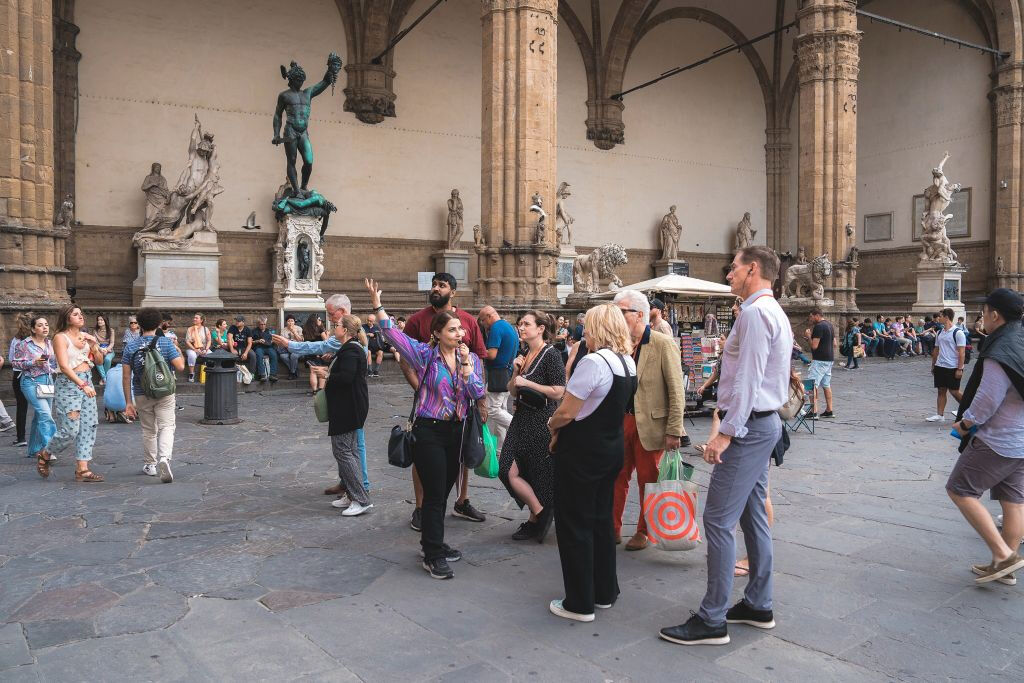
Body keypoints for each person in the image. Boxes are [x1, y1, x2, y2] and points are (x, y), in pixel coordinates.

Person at [661, 245, 791, 646]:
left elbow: (747, 380)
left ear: (752, 270)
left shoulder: (753, 314)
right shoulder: (773, 312)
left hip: (748, 429)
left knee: (717, 521)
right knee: (752, 515)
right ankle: (758, 603)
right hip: (763, 424)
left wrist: (725, 433)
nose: (728, 273)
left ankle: (712, 617)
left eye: (733, 268)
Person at [369, 277, 485, 579]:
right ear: (438, 333)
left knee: (443, 490)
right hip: (429, 430)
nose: (459, 334)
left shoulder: (470, 358)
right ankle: (433, 554)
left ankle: (432, 541)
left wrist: (467, 368)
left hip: (456, 431)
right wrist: (378, 306)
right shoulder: (425, 355)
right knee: (434, 493)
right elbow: (392, 335)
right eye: (452, 329)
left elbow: (476, 392)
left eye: (460, 329)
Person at [546, 304, 637, 622]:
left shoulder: (594, 362)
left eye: (587, 325)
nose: (583, 330)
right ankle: (604, 591)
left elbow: (567, 411)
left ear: (598, 327)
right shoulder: (627, 362)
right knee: (600, 520)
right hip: (610, 449)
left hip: (582, 451)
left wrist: (551, 425)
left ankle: (579, 602)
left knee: (574, 524)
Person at [948, 289, 1024, 584]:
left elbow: (987, 400)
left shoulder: (999, 351)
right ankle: (1004, 564)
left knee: (960, 490)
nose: (982, 318)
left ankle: (1003, 555)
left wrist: (966, 425)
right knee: (1014, 502)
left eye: (983, 313)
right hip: (1020, 440)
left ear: (994, 315)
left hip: (998, 440)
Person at [401, 273, 488, 529]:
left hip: (461, 402)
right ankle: (421, 506)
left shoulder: (469, 321)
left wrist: (481, 401)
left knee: (463, 449)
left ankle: (462, 499)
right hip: (429, 405)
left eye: (442, 285)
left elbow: (480, 359)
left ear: (454, 292)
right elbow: (405, 358)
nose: (436, 288)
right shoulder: (418, 319)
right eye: (434, 285)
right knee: (422, 454)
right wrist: (420, 387)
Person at [611, 289, 687, 551]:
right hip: (620, 422)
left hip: (650, 424)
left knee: (648, 480)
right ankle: (613, 528)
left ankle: (644, 530)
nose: (617, 317)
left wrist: (675, 430)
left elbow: (677, 391)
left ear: (639, 314)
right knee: (616, 476)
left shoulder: (663, 343)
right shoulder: (617, 344)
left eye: (621, 312)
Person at [272, 295, 371, 495]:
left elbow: (320, 348)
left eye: (331, 313)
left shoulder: (349, 338)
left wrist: (290, 345)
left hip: (350, 400)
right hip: (348, 398)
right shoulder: (349, 336)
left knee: (353, 446)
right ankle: (348, 482)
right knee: (350, 445)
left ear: (342, 313)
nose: (329, 318)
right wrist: (335, 358)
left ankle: (361, 487)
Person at [498, 310, 565, 543]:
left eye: (526, 324)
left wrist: (528, 382)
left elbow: (559, 391)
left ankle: (535, 519)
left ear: (540, 329)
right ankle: (540, 511)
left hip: (541, 418)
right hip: (521, 418)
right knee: (506, 469)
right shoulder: (524, 354)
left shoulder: (551, 355)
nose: (521, 327)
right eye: (519, 324)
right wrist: (517, 372)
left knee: (535, 471)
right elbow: (512, 389)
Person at [123, 307, 185, 483]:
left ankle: (150, 465)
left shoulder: (131, 346)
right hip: (165, 391)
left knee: (149, 430)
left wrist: (128, 402)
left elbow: (126, 375)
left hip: (141, 393)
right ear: (159, 323)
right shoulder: (165, 343)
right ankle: (164, 458)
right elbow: (180, 367)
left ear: (139, 325)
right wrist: (177, 350)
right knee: (167, 426)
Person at [47, 305, 105, 482]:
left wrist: (94, 345)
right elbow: (64, 366)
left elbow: (100, 361)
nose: (80, 317)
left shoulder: (86, 337)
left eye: (81, 314)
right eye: (75, 314)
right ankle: (46, 452)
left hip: (87, 378)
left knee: (89, 426)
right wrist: (82, 385)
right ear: (66, 318)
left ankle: (82, 469)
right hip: (70, 384)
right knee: (70, 429)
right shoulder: (60, 337)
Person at [323, 315, 373, 516]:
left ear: (345, 330)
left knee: (343, 451)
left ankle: (361, 499)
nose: (334, 328)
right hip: (349, 405)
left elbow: (346, 377)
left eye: (336, 325)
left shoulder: (351, 349)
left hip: (348, 407)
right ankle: (352, 495)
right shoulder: (350, 348)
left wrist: (326, 375)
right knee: (349, 451)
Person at [12, 316, 59, 473]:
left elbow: (51, 363)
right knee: (45, 415)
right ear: (33, 329)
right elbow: (15, 363)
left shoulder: (49, 344)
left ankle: (33, 450)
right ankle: (49, 449)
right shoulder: (24, 344)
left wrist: (54, 370)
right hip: (30, 382)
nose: (45, 327)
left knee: (39, 417)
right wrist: (33, 362)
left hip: (47, 381)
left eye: (46, 324)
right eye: (40, 325)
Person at [478, 305, 518, 451]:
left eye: (483, 320)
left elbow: (492, 354)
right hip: (507, 373)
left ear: (489, 316)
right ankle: (500, 449)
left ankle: (518, 427)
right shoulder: (509, 326)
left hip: (498, 374)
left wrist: (478, 351)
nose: (483, 324)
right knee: (499, 409)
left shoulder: (496, 328)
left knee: (492, 410)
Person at [927, 308, 967, 422]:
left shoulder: (958, 333)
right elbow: (936, 349)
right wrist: (933, 365)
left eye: (940, 316)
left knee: (954, 391)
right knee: (941, 390)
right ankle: (940, 415)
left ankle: (968, 410)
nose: (938, 318)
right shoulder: (939, 332)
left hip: (953, 366)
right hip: (941, 365)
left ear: (947, 317)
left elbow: (962, 352)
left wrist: (960, 368)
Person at [804, 309, 836, 419]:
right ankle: (829, 410)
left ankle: (814, 412)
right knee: (826, 384)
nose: (810, 319)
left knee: (812, 385)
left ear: (817, 315)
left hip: (820, 360)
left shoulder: (819, 327)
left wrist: (809, 336)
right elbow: (835, 344)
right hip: (829, 359)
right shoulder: (830, 325)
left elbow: (814, 346)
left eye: (811, 316)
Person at [8, 313, 33, 446]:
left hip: (19, 375)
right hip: (37, 375)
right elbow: (46, 357)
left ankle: (21, 437)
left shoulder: (16, 341)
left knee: (22, 406)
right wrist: (35, 363)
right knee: (42, 406)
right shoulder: (37, 341)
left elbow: (12, 360)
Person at [250, 316, 279, 382]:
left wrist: (272, 341)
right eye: (261, 324)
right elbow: (250, 341)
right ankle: (262, 374)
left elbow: (275, 340)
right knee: (259, 355)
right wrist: (257, 341)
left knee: (274, 354)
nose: (263, 326)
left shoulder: (270, 331)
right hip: (259, 347)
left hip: (269, 347)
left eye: (264, 324)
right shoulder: (254, 331)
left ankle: (272, 374)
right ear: (258, 324)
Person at [184, 313, 212, 382]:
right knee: (192, 355)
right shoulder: (190, 329)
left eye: (196, 318)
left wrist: (206, 349)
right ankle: (191, 373)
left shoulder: (205, 329)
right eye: (194, 317)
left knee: (211, 355)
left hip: (203, 349)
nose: (194, 319)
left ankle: (209, 373)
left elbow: (209, 340)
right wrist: (195, 349)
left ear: (201, 320)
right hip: (192, 348)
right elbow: (187, 341)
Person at [277, 314, 304, 379]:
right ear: (286, 322)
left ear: (294, 322)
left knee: (293, 356)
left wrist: (294, 332)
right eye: (288, 321)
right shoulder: (283, 330)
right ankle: (294, 370)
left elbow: (300, 341)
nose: (290, 322)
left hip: (297, 348)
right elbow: (282, 341)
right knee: (283, 356)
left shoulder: (299, 328)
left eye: (292, 321)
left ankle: (292, 373)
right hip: (286, 348)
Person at [92, 315, 116, 386]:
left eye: (101, 320)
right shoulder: (95, 331)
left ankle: (103, 378)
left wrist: (107, 349)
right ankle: (104, 378)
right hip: (99, 349)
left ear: (105, 321)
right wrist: (101, 349)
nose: (99, 321)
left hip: (109, 350)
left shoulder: (111, 330)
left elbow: (112, 343)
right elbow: (95, 342)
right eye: (98, 320)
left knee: (108, 360)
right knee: (98, 360)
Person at [362, 313, 384, 377]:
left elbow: (380, 335)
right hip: (368, 346)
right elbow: (360, 335)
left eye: (371, 321)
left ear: (374, 321)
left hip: (376, 345)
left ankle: (376, 370)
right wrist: (367, 334)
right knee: (368, 352)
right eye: (368, 320)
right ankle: (369, 370)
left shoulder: (377, 327)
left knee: (381, 352)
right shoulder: (363, 326)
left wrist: (375, 334)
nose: (369, 322)